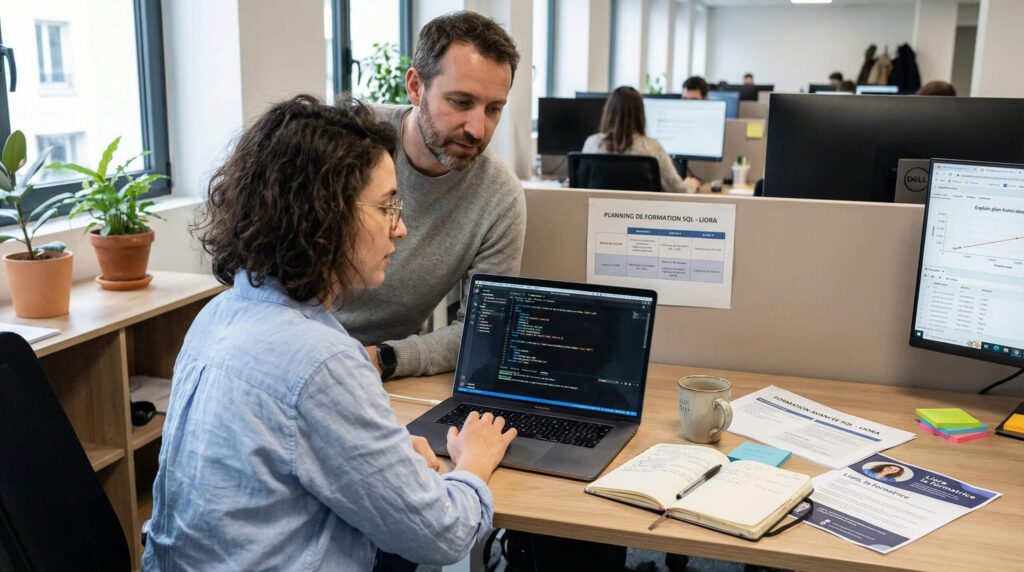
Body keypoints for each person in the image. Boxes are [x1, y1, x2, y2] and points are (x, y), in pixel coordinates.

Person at [142, 95, 517, 571]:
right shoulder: (322, 360)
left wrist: (389, 459)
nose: (399, 229)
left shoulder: (218, 315)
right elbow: (443, 536)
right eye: (386, 208)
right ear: (325, 214)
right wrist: (473, 465)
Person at [334, 11, 526, 380]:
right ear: (416, 87)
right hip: (296, 349)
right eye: (461, 102)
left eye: (493, 109)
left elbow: (483, 330)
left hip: (386, 372)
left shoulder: (500, 197)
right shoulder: (347, 141)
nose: (477, 128)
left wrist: (382, 359)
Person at [582, 86, 697, 193]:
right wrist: (691, 185)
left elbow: (580, 184)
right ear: (640, 114)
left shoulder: (592, 144)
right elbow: (677, 190)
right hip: (640, 214)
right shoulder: (651, 147)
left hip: (598, 213)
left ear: (608, 112)